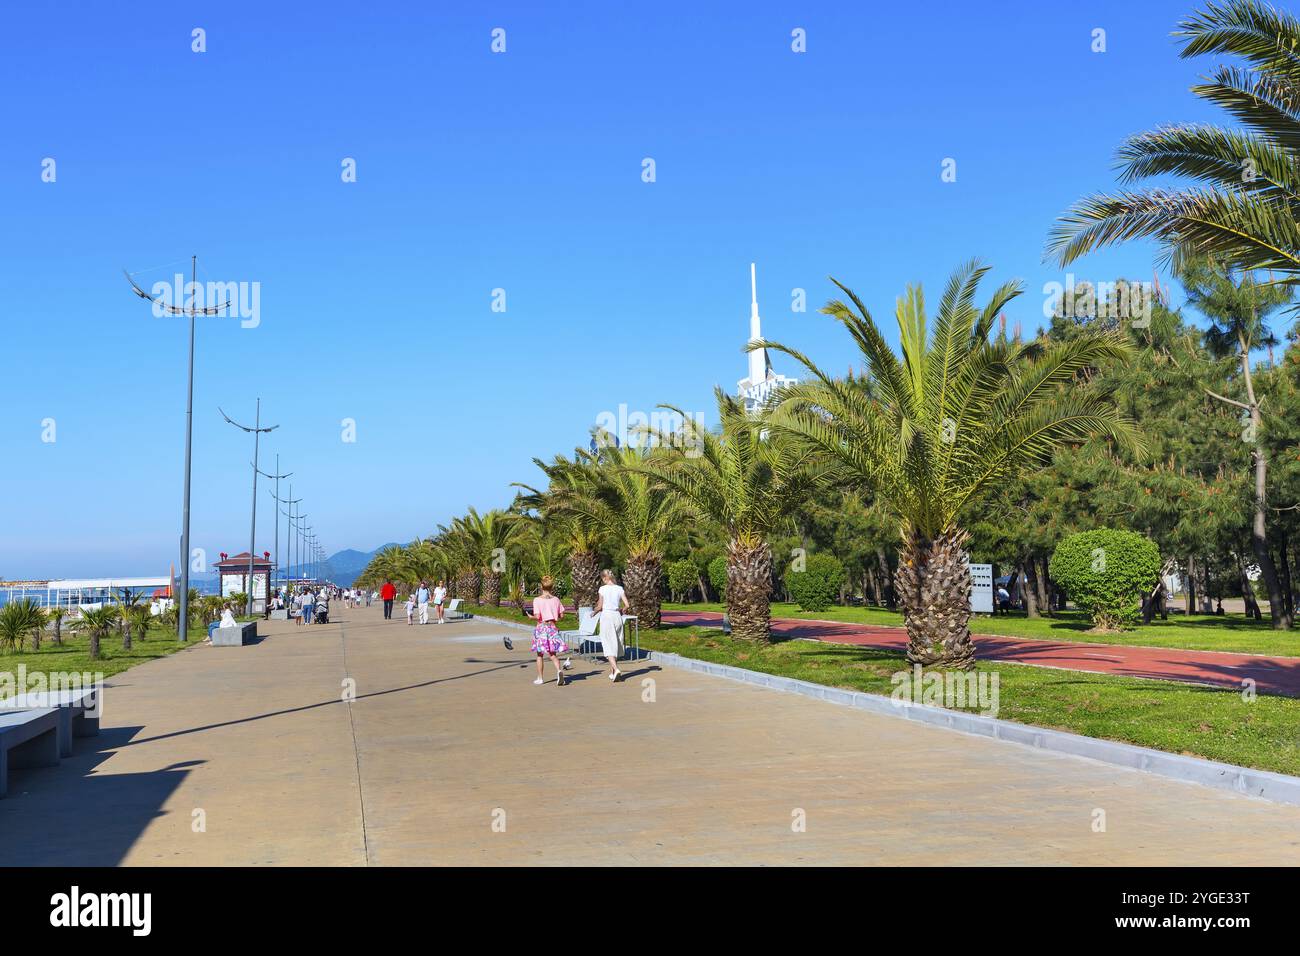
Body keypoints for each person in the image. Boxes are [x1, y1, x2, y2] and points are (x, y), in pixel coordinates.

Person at [530, 575, 568, 686]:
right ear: (552, 587)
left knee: (540, 654)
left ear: (541, 586)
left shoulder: (537, 600)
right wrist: (554, 617)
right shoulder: (556, 599)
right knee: (553, 654)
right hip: (552, 627)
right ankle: (559, 671)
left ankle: (540, 678)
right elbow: (561, 615)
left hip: (541, 627)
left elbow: (537, 616)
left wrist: (530, 617)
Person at [594, 569, 630, 681]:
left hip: (607, 616)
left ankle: (616, 669)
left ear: (605, 578)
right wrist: (622, 610)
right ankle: (613, 672)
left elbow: (600, 606)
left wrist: (594, 612)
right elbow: (627, 605)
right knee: (616, 643)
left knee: (608, 644)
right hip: (617, 617)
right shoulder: (619, 588)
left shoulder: (602, 589)